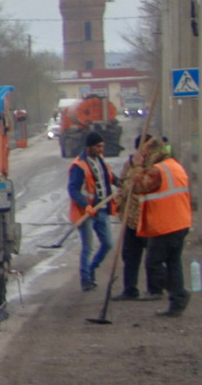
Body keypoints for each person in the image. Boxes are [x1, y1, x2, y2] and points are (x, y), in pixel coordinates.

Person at [125, 136, 193, 316]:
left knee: (153, 264)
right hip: (180, 221)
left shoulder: (157, 171)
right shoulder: (174, 165)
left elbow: (137, 186)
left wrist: (137, 166)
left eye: (145, 153)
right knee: (173, 263)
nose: (144, 156)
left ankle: (179, 293)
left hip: (165, 224)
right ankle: (177, 303)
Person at [67, 135, 117, 291]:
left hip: (101, 210)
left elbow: (109, 177)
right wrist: (85, 205)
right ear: (89, 147)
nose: (101, 149)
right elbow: (73, 189)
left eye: (102, 146)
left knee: (108, 244)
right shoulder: (79, 166)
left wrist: (122, 182)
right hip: (87, 213)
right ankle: (86, 280)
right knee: (88, 247)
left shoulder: (100, 161)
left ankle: (92, 268)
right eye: (98, 146)